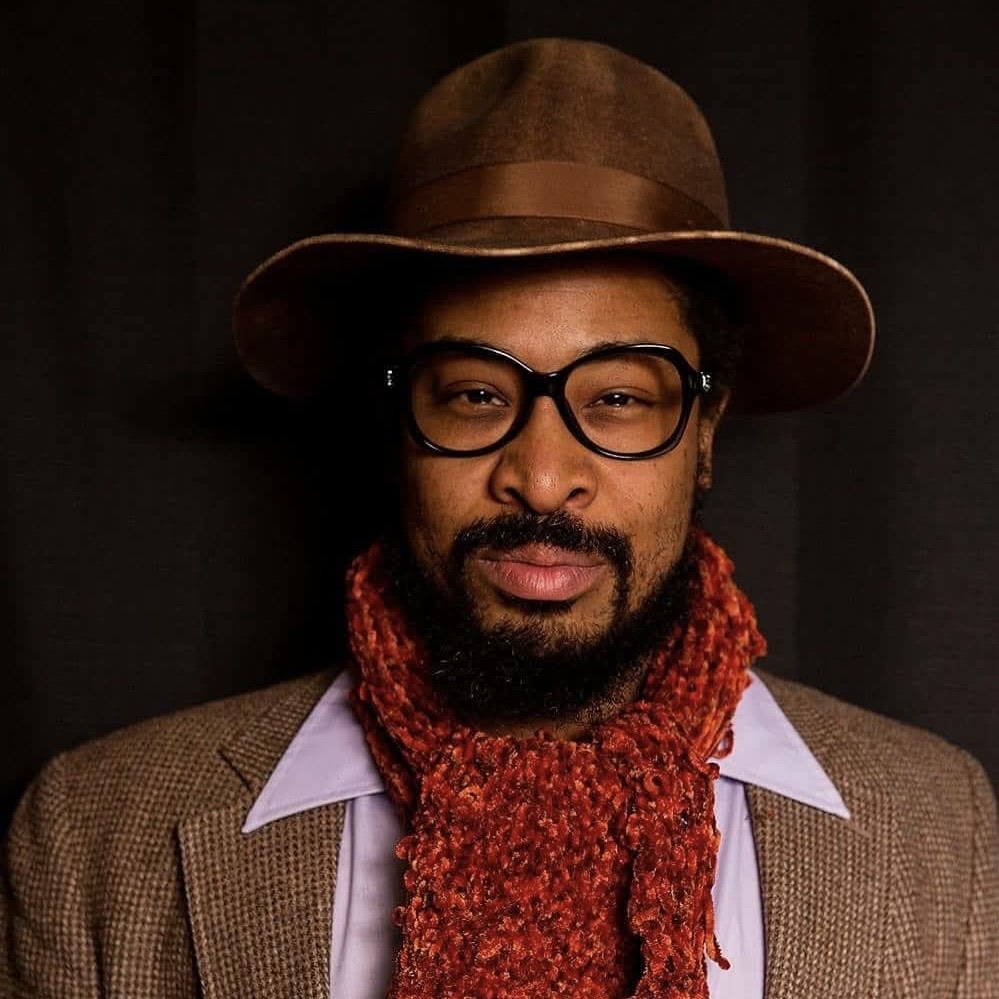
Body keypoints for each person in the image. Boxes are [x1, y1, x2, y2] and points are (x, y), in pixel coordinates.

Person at [2, 37, 995, 999]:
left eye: (619, 397)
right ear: (395, 420)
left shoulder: (939, 833)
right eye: (475, 394)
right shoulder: (98, 836)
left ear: (704, 432)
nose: (544, 477)